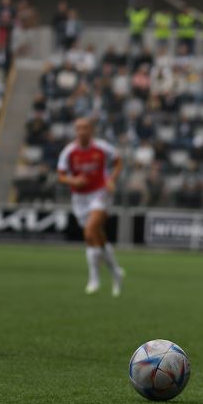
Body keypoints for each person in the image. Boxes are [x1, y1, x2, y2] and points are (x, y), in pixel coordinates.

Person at [57, 118, 125, 296]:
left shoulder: (102, 147)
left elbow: (118, 161)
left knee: (89, 231)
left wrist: (111, 179)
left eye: (85, 128)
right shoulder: (68, 152)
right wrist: (73, 180)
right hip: (80, 198)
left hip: (100, 194)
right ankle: (116, 272)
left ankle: (94, 279)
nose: (82, 131)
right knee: (96, 238)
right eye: (78, 128)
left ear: (92, 130)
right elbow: (61, 175)